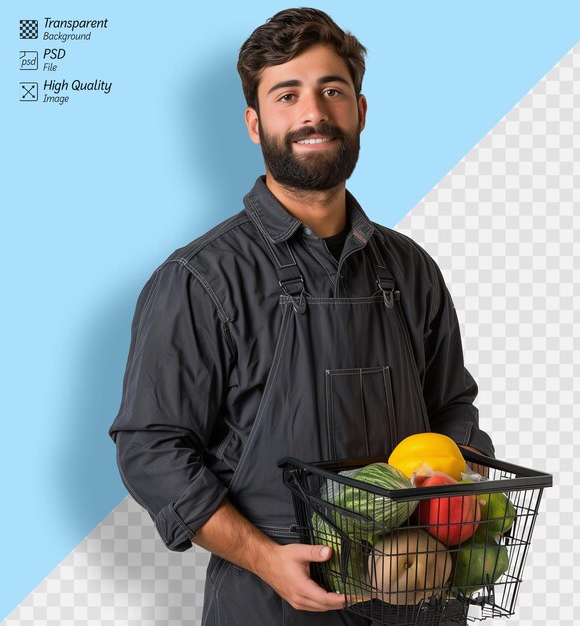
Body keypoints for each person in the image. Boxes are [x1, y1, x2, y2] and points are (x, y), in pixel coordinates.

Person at [110, 7, 495, 625]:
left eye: (331, 90)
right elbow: (150, 448)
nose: (313, 112)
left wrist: (455, 480)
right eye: (287, 95)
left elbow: (452, 406)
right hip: (273, 606)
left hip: (419, 594)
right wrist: (262, 557)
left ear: (360, 112)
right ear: (254, 122)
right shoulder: (200, 279)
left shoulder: (412, 268)